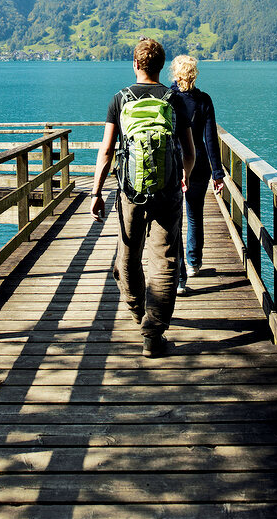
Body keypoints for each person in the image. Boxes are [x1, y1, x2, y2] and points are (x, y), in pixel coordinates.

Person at [90, 38, 195, 357]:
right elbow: (190, 153)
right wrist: (184, 176)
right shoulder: (173, 100)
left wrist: (96, 192)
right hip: (168, 192)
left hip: (130, 192)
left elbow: (107, 151)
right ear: (162, 67)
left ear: (135, 64)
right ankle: (153, 333)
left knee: (128, 257)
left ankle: (140, 317)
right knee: (165, 261)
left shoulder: (120, 99)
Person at [169, 55, 225, 295]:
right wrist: (218, 172)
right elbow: (210, 138)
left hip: (174, 164)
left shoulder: (168, 99)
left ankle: (180, 274)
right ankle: (194, 263)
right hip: (200, 164)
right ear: (195, 73)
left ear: (175, 74)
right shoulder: (204, 100)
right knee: (194, 215)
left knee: (175, 220)